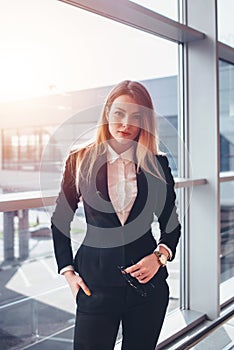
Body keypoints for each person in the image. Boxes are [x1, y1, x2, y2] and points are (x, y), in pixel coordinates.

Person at [51, 80, 181, 350]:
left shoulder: (157, 164)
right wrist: (68, 272)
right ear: (108, 112)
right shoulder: (80, 159)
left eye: (136, 116)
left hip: (148, 289)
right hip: (94, 286)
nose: (126, 123)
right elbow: (60, 221)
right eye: (119, 113)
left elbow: (171, 226)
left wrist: (159, 257)